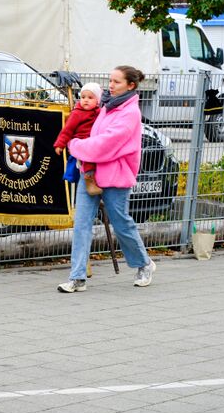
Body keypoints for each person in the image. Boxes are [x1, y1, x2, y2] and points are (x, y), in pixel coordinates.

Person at [57, 65, 156, 293]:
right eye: (110, 81)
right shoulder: (106, 106)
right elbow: (92, 134)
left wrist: (74, 145)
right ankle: (77, 277)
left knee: (121, 223)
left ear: (131, 85)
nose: (111, 85)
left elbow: (105, 144)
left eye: (117, 82)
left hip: (115, 175)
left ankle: (144, 264)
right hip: (90, 173)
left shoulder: (130, 113)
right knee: (81, 223)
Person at [54, 82, 103, 196]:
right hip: (82, 141)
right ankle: (89, 180)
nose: (85, 100)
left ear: (97, 101)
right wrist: (60, 144)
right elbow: (67, 130)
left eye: (90, 98)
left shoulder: (99, 112)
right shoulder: (77, 113)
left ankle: (96, 182)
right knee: (89, 159)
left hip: (94, 141)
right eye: (83, 97)